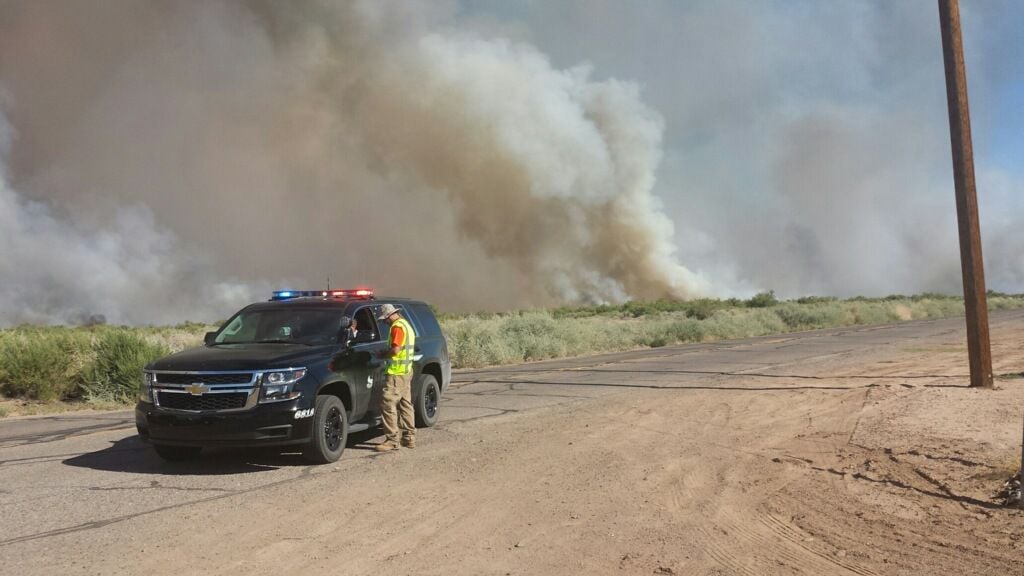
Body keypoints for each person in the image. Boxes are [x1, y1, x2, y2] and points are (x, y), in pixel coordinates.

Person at [374, 303, 417, 451]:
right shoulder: (406, 325)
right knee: (406, 404)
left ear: (389, 315)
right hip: (406, 371)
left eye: (384, 319)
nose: (384, 322)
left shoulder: (397, 327)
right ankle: (409, 438)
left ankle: (392, 440)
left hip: (396, 373)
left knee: (388, 404)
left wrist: (382, 354)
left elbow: (396, 350)